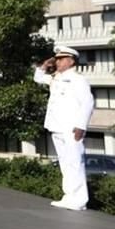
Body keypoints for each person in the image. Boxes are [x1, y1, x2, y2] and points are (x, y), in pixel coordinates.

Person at [34, 45, 94, 211]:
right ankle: (69, 196)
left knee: (75, 163)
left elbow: (88, 103)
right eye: (57, 59)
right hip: (56, 126)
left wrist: (81, 126)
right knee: (65, 163)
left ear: (71, 61)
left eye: (61, 59)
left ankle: (80, 199)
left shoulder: (77, 79)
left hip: (71, 127)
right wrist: (44, 66)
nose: (58, 62)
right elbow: (38, 78)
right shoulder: (56, 78)